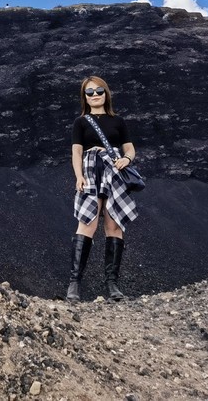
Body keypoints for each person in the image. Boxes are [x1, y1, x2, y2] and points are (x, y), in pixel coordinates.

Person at [67, 75, 138, 302]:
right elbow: (76, 152)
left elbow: (130, 149)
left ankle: (112, 285)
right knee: (87, 223)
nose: (95, 95)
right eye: (90, 92)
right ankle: (74, 284)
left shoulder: (118, 121)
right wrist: (78, 176)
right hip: (90, 171)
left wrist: (126, 159)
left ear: (106, 94)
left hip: (113, 171)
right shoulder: (81, 122)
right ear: (84, 97)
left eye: (99, 91)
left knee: (114, 225)